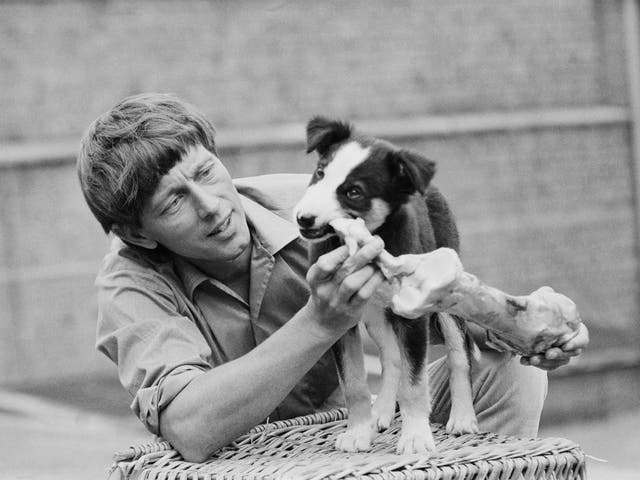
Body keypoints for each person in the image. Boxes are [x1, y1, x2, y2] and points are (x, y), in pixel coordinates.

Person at [77, 93, 589, 462]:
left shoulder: (313, 204)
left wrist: (522, 328)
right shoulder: (129, 282)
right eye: (174, 201)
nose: (212, 207)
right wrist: (319, 321)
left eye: (207, 173)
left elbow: (416, 305)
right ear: (138, 234)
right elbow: (190, 428)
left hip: (356, 431)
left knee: (510, 368)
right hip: (239, 459)